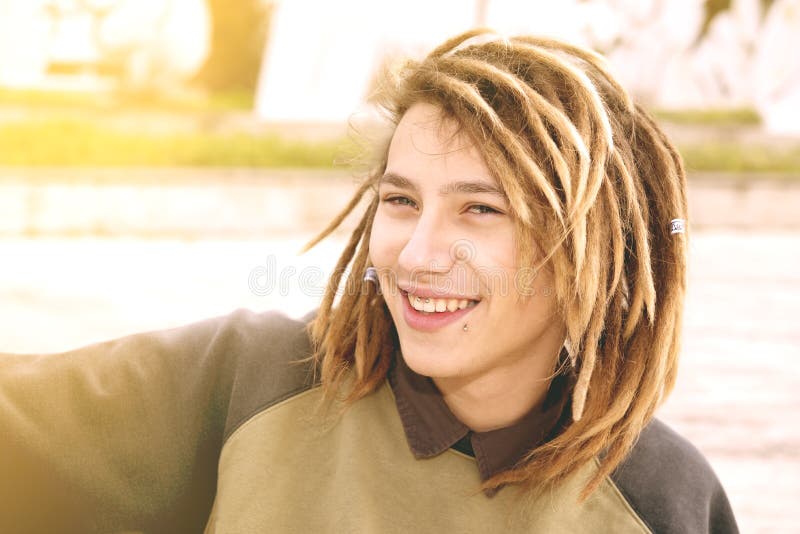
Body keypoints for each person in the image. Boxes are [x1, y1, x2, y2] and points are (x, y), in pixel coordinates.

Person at [0, 29, 738, 533]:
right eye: (400, 200)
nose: (417, 254)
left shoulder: (663, 499)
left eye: (480, 209)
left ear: (591, 247)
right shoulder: (246, 384)